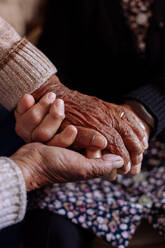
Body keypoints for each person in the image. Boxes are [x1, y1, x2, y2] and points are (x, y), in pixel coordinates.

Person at [0, 0, 165, 247]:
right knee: (49, 224)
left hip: (150, 142)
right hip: (91, 144)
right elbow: (57, 65)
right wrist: (53, 108)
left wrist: (142, 113)